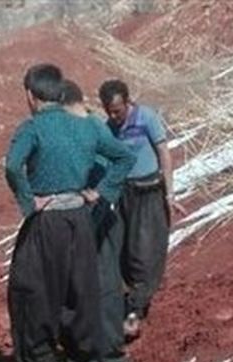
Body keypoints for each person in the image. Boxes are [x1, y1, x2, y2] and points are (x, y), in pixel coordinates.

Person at [3, 64, 135, 362]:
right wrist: (101, 192)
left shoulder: (32, 128)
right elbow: (124, 156)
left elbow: (12, 166)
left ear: (31, 96)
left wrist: (29, 202)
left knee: (29, 290)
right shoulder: (86, 127)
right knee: (80, 292)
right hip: (80, 219)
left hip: (47, 223)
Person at [59, 79, 129, 362]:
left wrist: (101, 193)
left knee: (105, 289)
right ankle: (86, 361)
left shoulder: (93, 127)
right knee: (75, 290)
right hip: (75, 219)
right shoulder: (66, 132)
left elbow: (124, 158)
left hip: (99, 218)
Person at [98, 79, 179, 340]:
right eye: (109, 111)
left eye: (118, 110)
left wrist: (169, 193)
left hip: (150, 191)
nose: (114, 116)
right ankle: (126, 303)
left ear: (128, 102)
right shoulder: (108, 129)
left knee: (145, 252)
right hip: (125, 195)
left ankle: (134, 311)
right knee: (123, 251)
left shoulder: (147, 118)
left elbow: (164, 153)